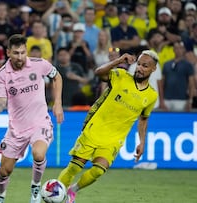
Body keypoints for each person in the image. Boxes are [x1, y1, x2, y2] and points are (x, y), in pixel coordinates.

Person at [58, 50, 159, 203]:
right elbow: (99, 73)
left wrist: (142, 142)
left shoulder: (151, 95)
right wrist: (118, 61)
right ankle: (56, 194)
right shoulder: (120, 76)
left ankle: (73, 190)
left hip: (114, 139)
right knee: (74, 167)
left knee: (98, 170)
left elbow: (144, 119)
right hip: (94, 128)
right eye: (138, 64)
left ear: (153, 69)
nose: (140, 68)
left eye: (145, 66)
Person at [0, 34, 64, 203]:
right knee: (5, 170)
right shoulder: (2, 74)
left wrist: (57, 103)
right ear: (8, 52)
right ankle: (0, 195)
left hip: (40, 122)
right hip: (17, 129)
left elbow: (57, 77)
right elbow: (1, 101)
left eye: (22, 52)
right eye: (16, 53)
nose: (20, 57)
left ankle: (36, 187)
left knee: (38, 153)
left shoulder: (39, 64)